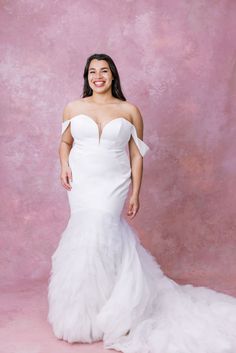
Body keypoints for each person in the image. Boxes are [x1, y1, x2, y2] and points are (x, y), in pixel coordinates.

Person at [47, 53, 236, 353]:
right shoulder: (73, 107)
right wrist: (63, 166)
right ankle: (83, 312)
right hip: (82, 181)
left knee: (104, 229)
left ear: (113, 76)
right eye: (93, 71)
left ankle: (117, 308)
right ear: (87, 77)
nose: (98, 76)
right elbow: (65, 142)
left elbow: (136, 154)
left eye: (104, 71)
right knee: (86, 234)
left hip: (114, 181)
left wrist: (135, 191)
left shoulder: (130, 110)